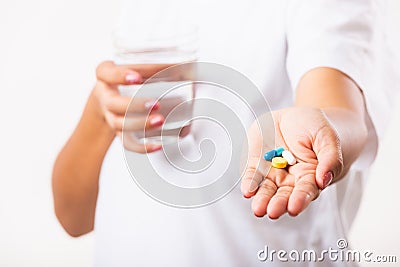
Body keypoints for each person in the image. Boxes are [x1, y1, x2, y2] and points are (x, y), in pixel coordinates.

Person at [52, 0, 397, 266]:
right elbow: (73, 217)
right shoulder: (148, 12)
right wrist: (101, 112)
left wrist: (321, 126)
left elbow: (338, 107)